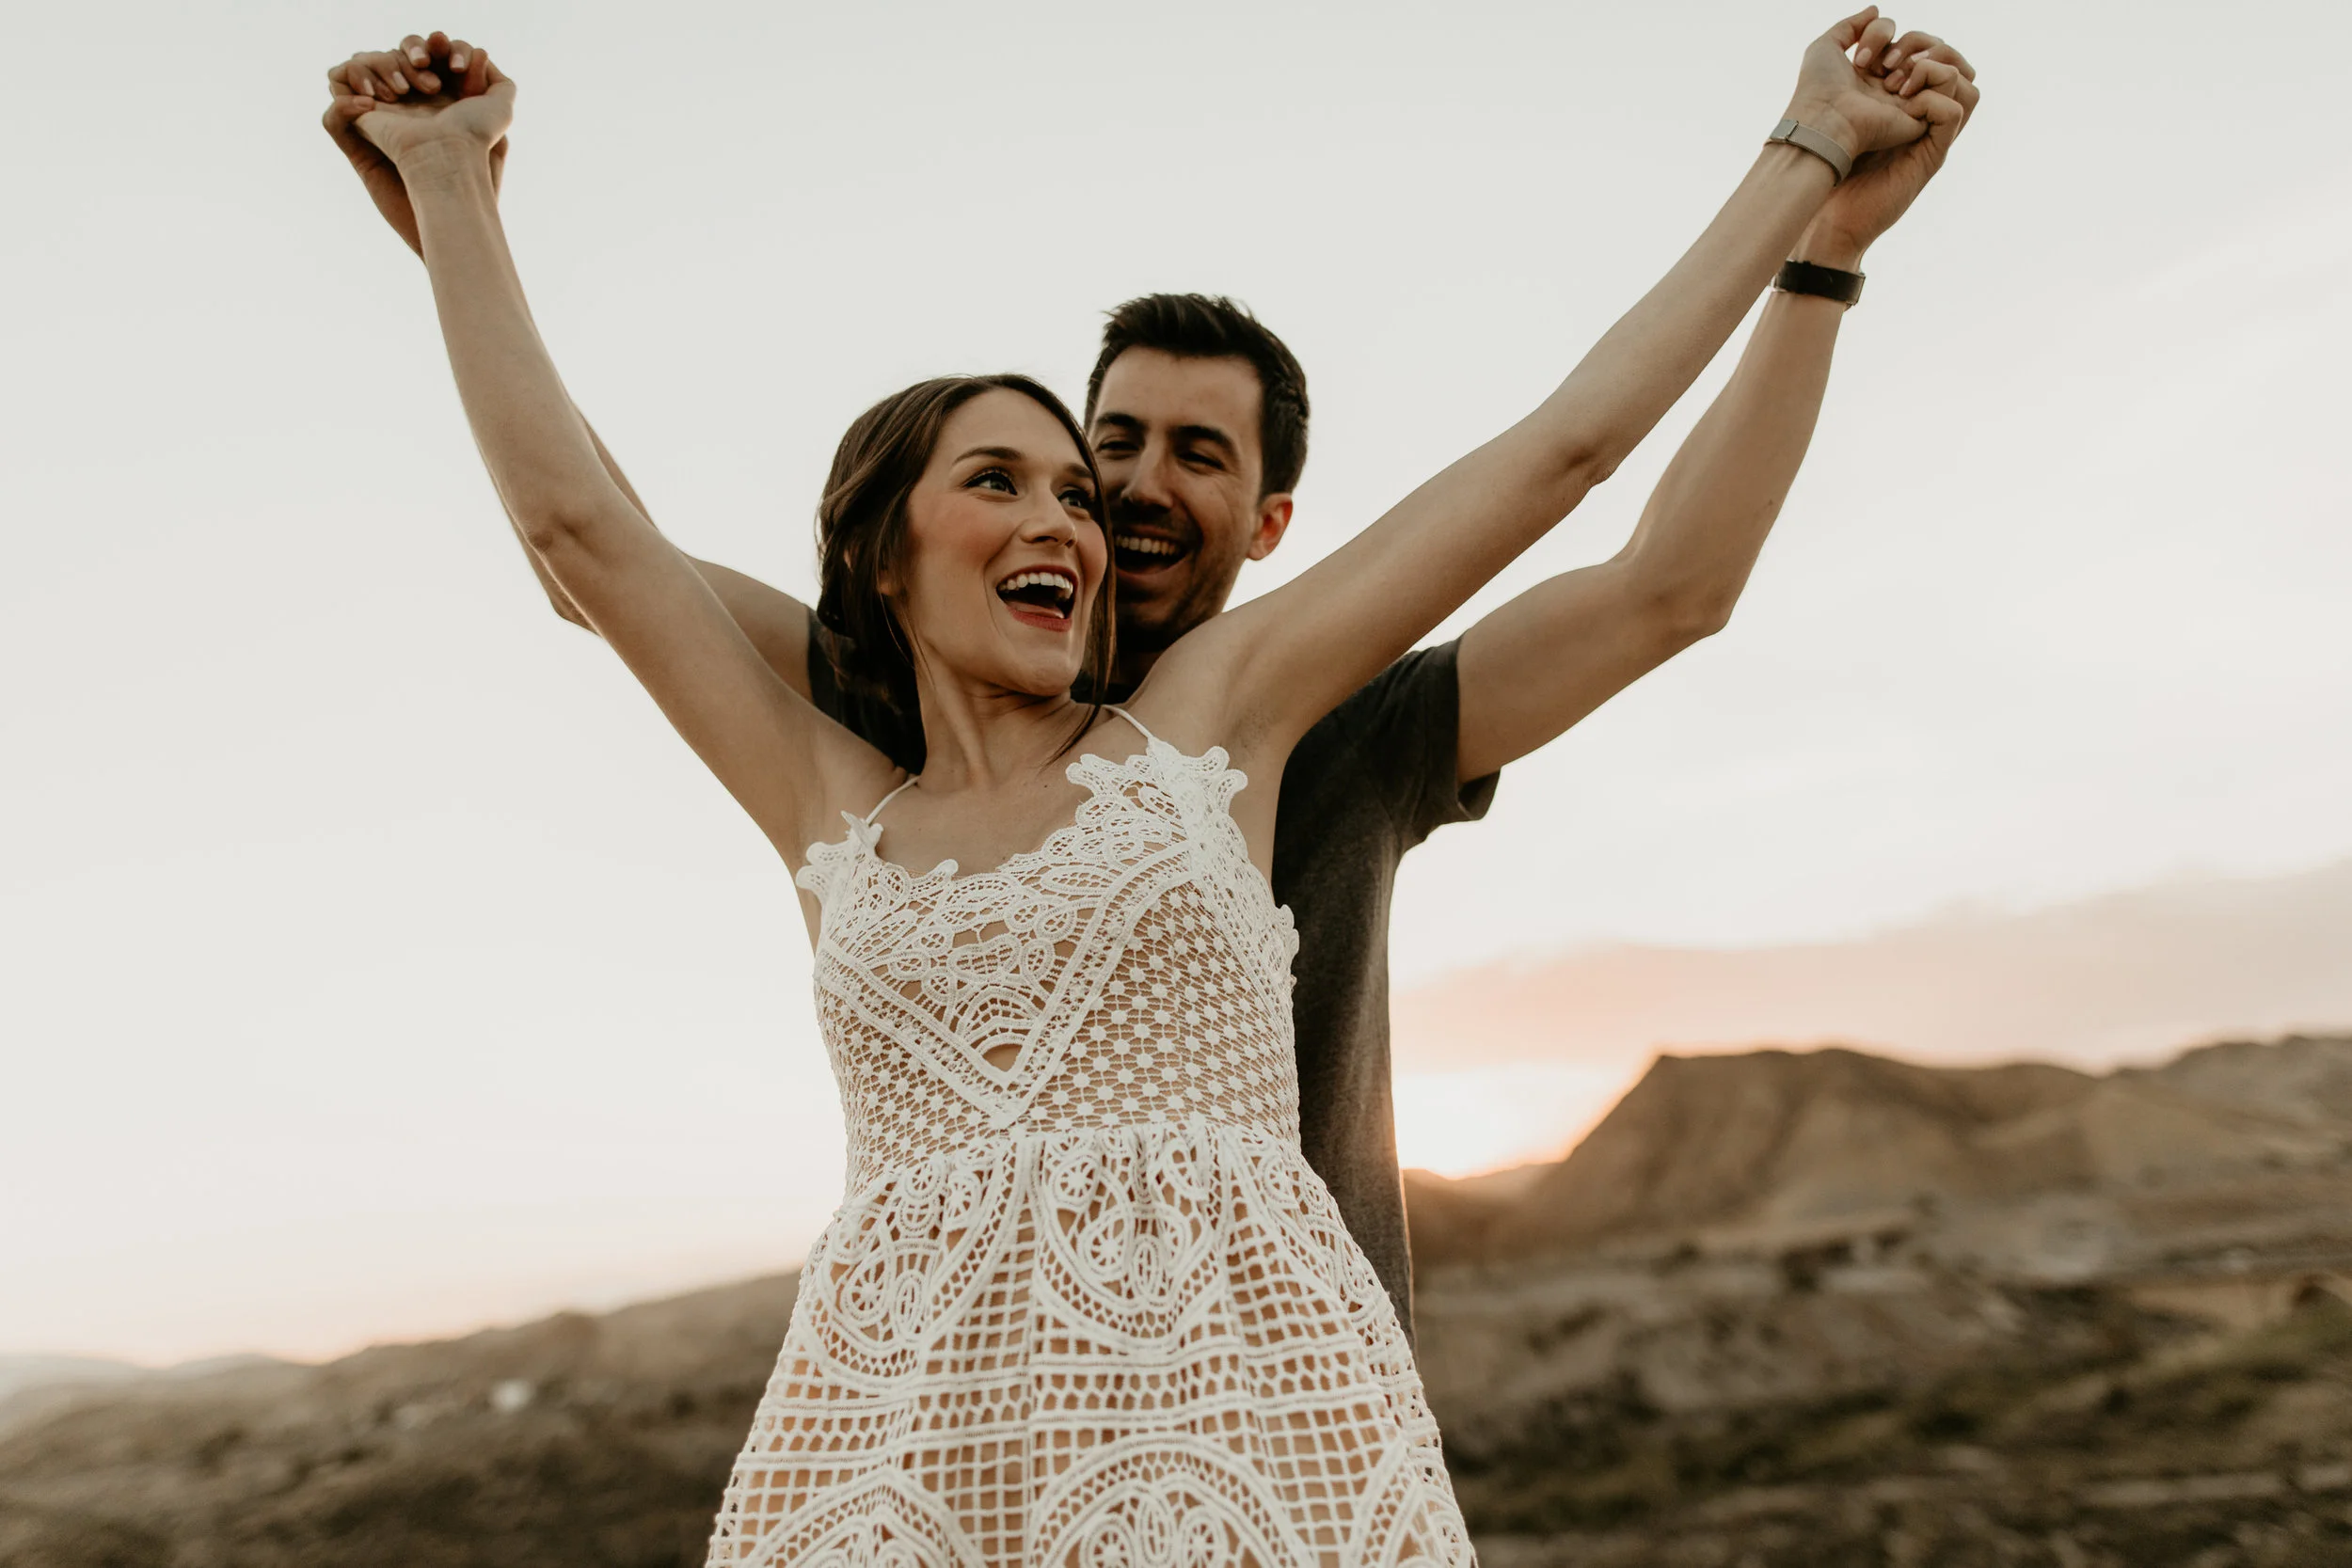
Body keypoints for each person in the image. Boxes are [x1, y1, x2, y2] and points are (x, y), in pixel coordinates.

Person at [327, 12, 1967, 1559]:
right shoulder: (845, 770)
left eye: (1187, 459)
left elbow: (1596, 495)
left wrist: (1809, 180)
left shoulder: (1252, 717)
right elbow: (595, 552)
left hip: (1253, 1407)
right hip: (916, 1445)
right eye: (1063, 463)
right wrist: (458, 208)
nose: (1104, 502)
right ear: (886, 557)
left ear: (1272, 521)